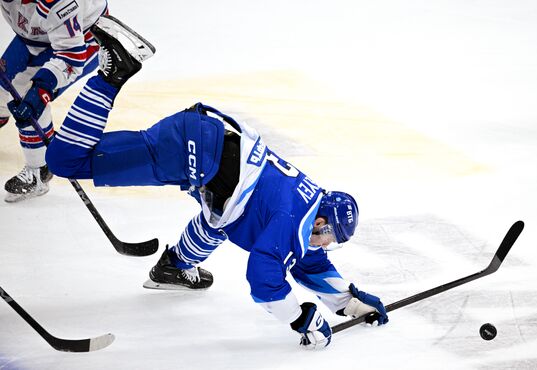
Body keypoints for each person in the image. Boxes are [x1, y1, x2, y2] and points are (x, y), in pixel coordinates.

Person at [45, 16, 389, 349]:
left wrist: (350, 303)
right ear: (322, 222)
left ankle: (173, 267)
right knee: (66, 161)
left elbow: (306, 259)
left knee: (221, 221)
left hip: (205, 147)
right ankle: (113, 72)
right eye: (331, 237)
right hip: (192, 152)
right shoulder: (293, 221)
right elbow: (263, 277)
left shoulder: (305, 207)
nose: (326, 244)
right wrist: (299, 318)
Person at [0, 0, 108, 202]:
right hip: (33, 37)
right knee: (2, 86)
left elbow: (71, 56)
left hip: (80, 42)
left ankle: (39, 170)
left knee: (30, 101)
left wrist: (42, 88)